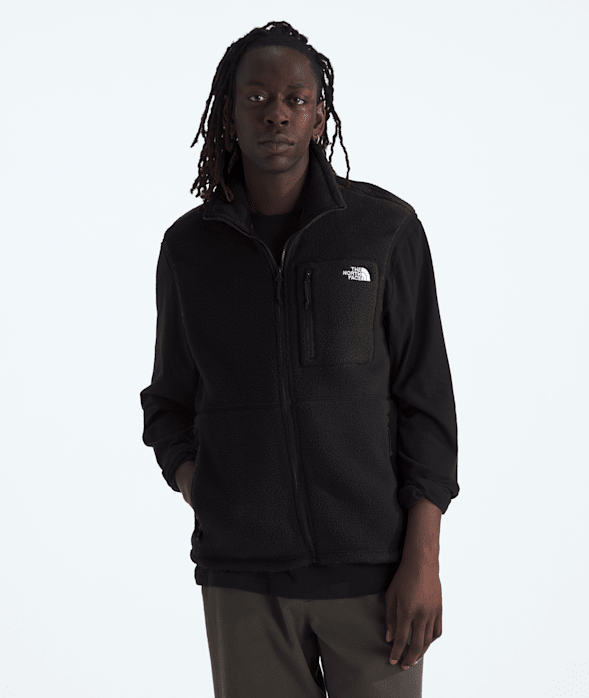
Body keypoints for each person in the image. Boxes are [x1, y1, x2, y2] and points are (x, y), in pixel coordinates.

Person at [140, 20, 459, 698]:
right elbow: (169, 401)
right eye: (256, 98)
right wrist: (204, 488)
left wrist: (423, 560)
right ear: (229, 116)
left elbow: (426, 400)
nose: (276, 113)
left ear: (318, 114)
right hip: (242, 580)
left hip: (374, 573)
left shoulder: (384, 229)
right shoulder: (190, 249)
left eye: (295, 98)